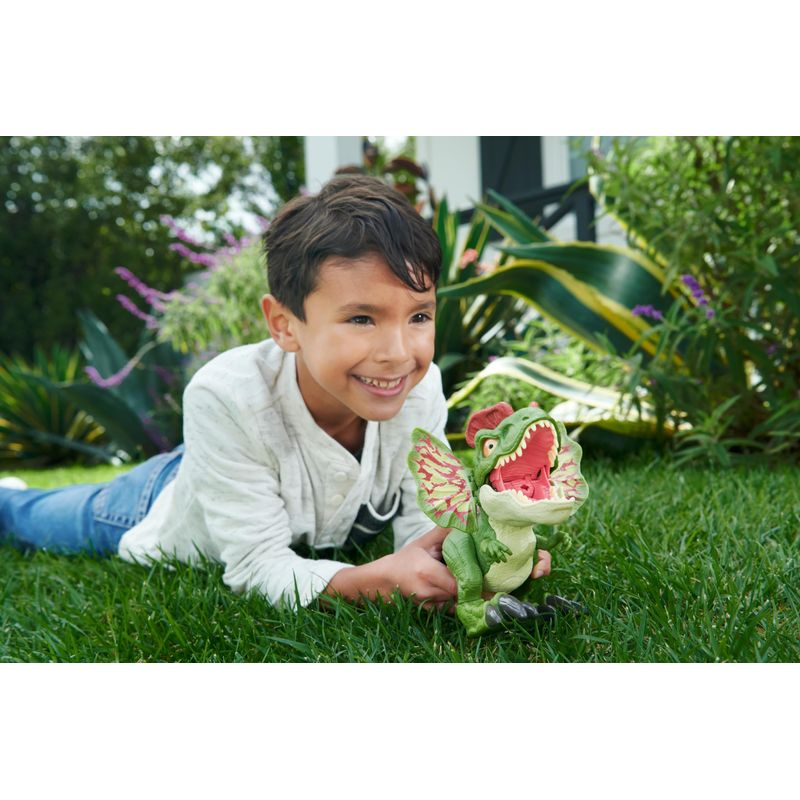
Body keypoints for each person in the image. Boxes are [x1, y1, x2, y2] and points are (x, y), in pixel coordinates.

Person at [0, 174, 551, 610]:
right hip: (154, 504)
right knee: (27, 518)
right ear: (285, 324)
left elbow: (419, 523)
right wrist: (370, 581)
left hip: (233, 469)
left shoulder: (419, 385)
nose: (398, 352)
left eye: (419, 316)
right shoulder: (225, 395)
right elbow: (256, 567)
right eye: (362, 318)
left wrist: (475, 556)